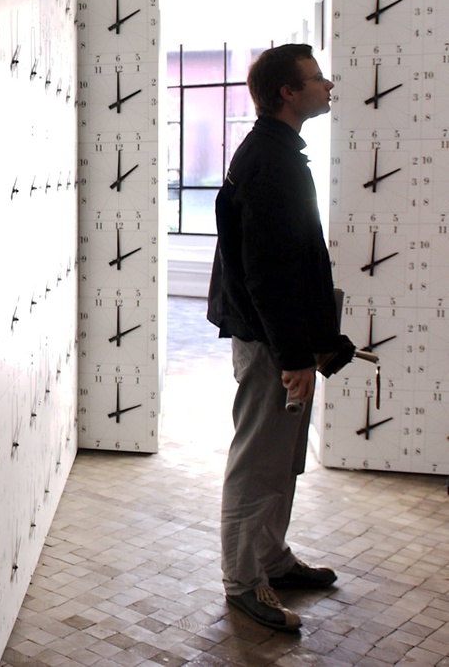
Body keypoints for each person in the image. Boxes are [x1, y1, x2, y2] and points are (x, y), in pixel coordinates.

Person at [206, 43, 341, 632]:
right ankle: (243, 582)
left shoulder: (279, 153)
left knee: (281, 460)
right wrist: (291, 355)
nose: (327, 84)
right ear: (288, 92)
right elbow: (265, 271)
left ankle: (272, 559)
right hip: (270, 343)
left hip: (283, 339)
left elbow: (293, 259)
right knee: (258, 462)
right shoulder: (270, 161)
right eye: (316, 79)